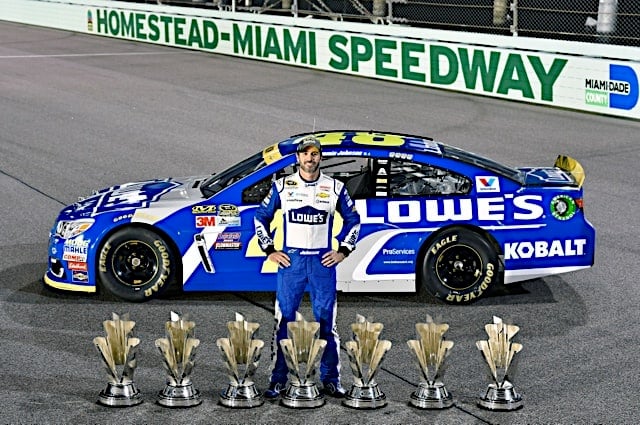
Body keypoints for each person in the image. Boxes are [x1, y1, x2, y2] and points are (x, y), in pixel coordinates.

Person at [254, 135, 361, 399]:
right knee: (283, 323)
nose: (309, 158)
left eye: (314, 154)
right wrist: (270, 250)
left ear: (320, 157)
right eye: (304, 154)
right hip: (291, 263)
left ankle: (331, 380)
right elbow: (261, 217)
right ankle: (278, 379)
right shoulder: (282, 186)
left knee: (327, 324)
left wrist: (343, 251)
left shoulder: (335, 187)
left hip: (322, 264)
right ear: (297, 158)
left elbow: (353, 221)